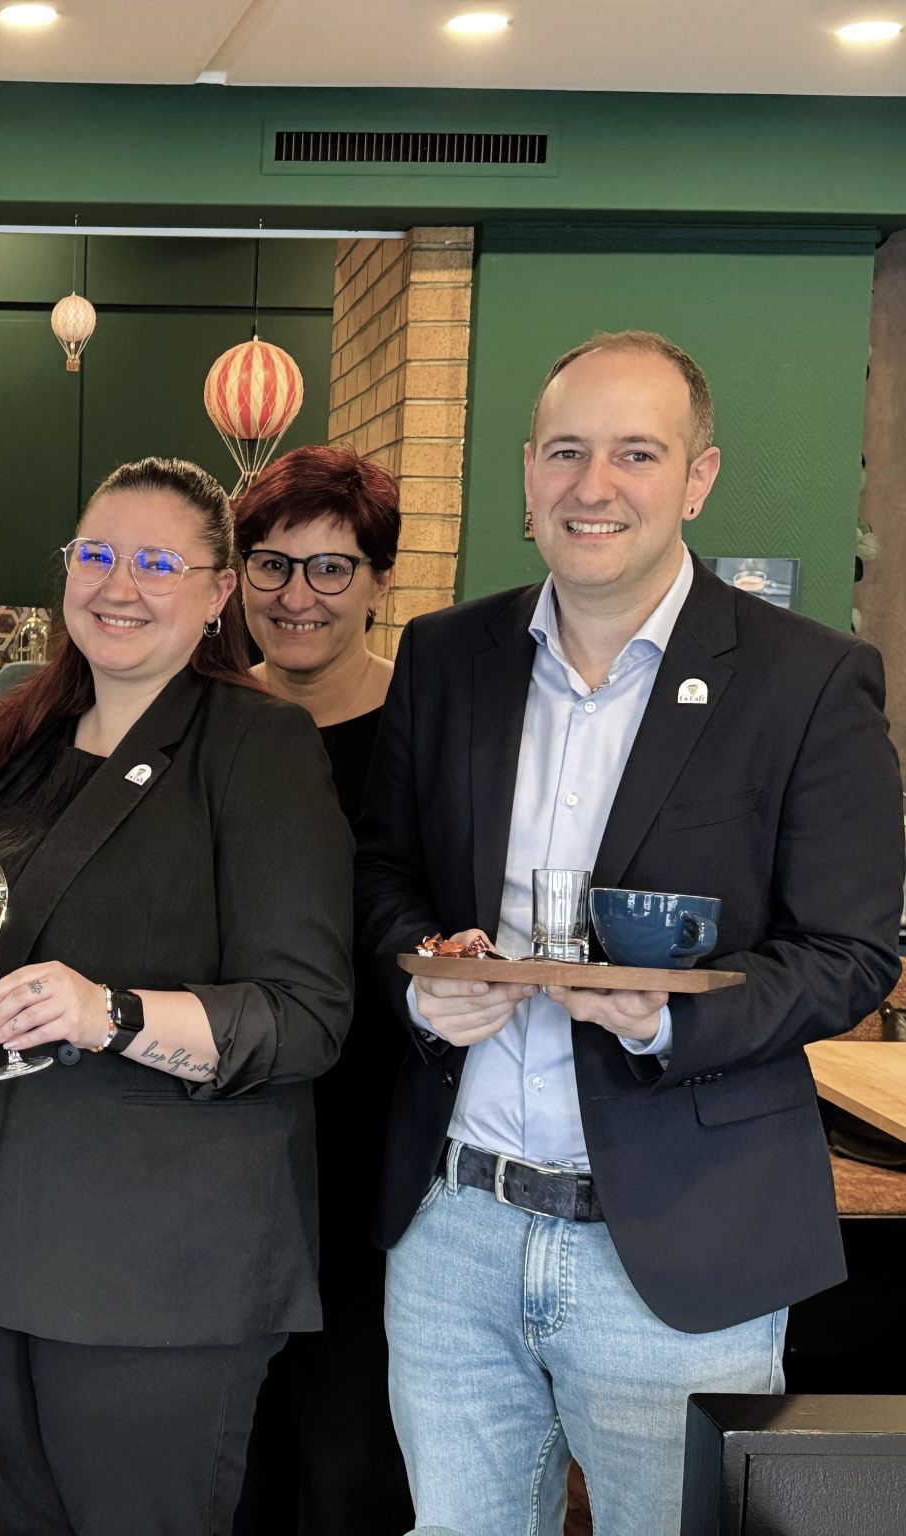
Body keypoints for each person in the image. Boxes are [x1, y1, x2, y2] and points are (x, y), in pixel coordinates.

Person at [355, 331, 903, 1535]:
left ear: (695, 479)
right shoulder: (445, 657)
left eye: (633, 454)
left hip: (678, 1245)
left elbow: (853, 950)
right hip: (453, 1230)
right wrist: (419, 981)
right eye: (564, 452)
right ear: (525, 472)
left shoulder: (806, 680)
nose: (590, 486)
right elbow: (384, 870)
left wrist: (672, 1017)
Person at [0, 457, 353, 1535]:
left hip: (160, 1270)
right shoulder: (12, 734)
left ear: (215, 594)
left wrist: (108, 1012)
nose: (118, 583)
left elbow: (303, 1018)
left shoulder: (257, 746)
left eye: (157, 561)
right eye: (97, 555)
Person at [230, 445, 413, 1535]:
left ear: (379, 583)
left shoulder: (426, 731)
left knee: (349, 1450)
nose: (296, 596)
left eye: (331, 570)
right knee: (233, 1447)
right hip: (229, 1127)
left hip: (371, 1131)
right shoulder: (203, 721)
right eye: (270, 565)